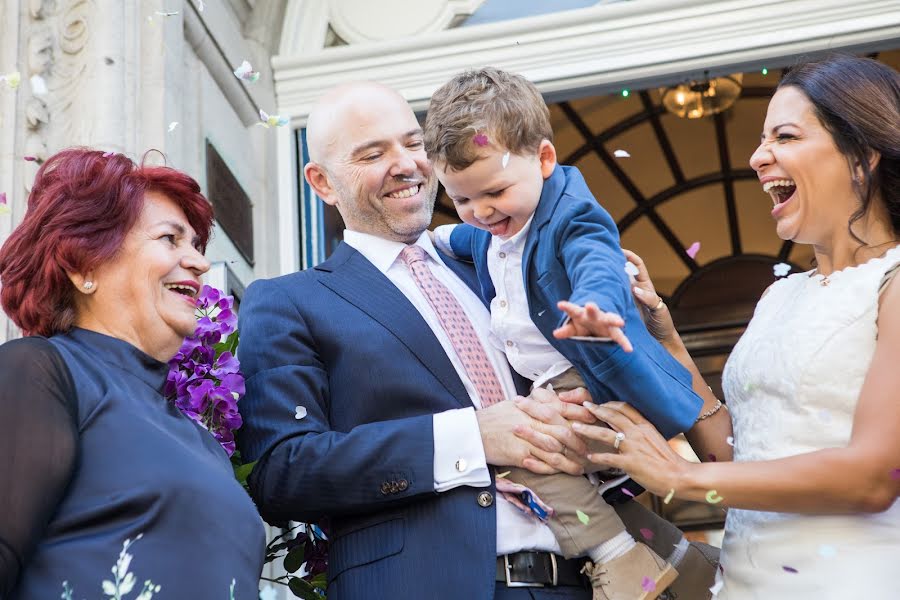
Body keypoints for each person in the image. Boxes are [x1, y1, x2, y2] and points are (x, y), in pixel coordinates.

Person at [236, 81, 613, 600]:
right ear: (321, 182)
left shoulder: (497, 258)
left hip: (582, 582)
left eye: (414, 144)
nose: (406, 164)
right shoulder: (288, 301)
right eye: (373, 153)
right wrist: (471, 437)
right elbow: (283, 474)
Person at [566, 54, 900, 599]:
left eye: (784, 137)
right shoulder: (780, 294)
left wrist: (679, 478)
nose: (756, 156)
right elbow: (735, 459)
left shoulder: (894, 282)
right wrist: (665, 339)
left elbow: (874, 479)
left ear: (862, 152)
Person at [423, 67, 709, 599]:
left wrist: (595, 309)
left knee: (521, 450)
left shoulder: (572, 218)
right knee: (570, 478)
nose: (481, 211)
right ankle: (685, 566)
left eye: (495, 192)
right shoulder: (491, 225)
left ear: (545, 160)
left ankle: (620, 562)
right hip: (551, 381)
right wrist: (431, 238)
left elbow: (596, 262)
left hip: (589, 374)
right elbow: (465, 240)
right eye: (461, 199)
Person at [0, 148, 266, 598]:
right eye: (170, 239)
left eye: (196, 246)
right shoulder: (41, 371)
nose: (200, 263)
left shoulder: (204, 441)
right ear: (83, 265)